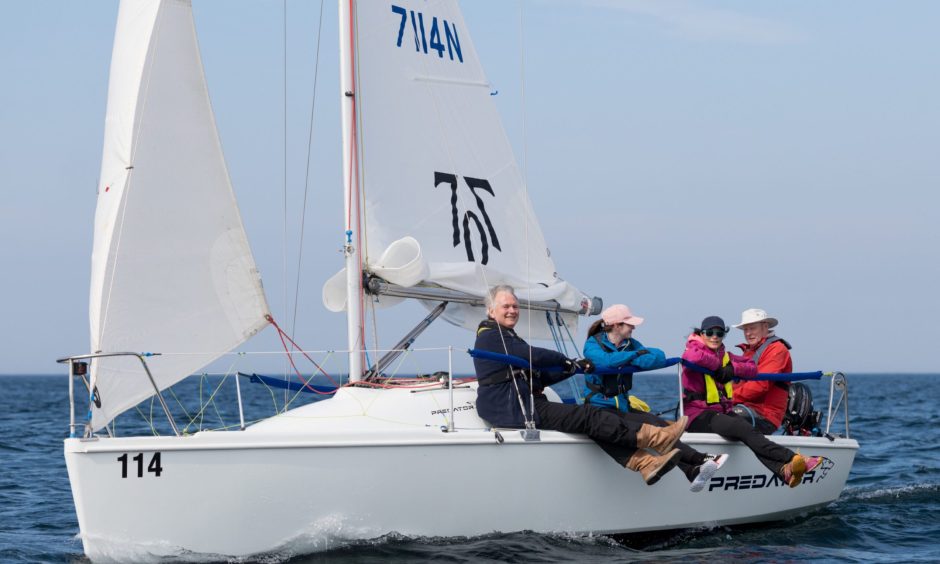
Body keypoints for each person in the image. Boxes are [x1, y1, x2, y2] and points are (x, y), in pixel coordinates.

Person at [473, 285, 687, 485]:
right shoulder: (491, 337)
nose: (512, 310)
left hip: (518, 405)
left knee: (590, 422)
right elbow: (532, 355)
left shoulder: (505, 337)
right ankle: (657, 439)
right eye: (506, 306)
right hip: (511, 408)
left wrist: (572, 367)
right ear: (491, 311)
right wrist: (563, 360)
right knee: (589, 415)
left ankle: (646, 463)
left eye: (515, 306)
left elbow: (538, 376)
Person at [582, 304, 729, 492]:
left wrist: (630, 356)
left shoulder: (629, 344)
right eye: (629, 324)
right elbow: (605, 362)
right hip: (600, 409)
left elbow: (658, 357)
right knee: (655, 428)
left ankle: (693, 469)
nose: (633, 328)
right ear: (616, 325)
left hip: (623, 408)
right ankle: (698, 460)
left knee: (659, 424)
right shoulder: (593, 344)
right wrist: (634, 355)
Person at [681, 315, 823, 488]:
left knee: (747, 431)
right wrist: (719, 366)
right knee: (742, 428)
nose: (714, 336)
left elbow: (751, 367)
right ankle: (793, 459)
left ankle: (782, 470)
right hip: (698, 414)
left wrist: (732, 368)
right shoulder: (694, 348)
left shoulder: (727, 355)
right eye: (709, 332)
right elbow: (692, 357)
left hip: (720, 411)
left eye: (719, 333)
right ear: (700, 334)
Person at [731, 308, 792, 434]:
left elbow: (760, 385)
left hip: (765, 416)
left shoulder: (777, 349)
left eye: (752, 328)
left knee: (719, 418)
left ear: (765, 327)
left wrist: (728, 398)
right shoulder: (750, 351)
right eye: (745, 329)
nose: (748, 333)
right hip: (746, 408)